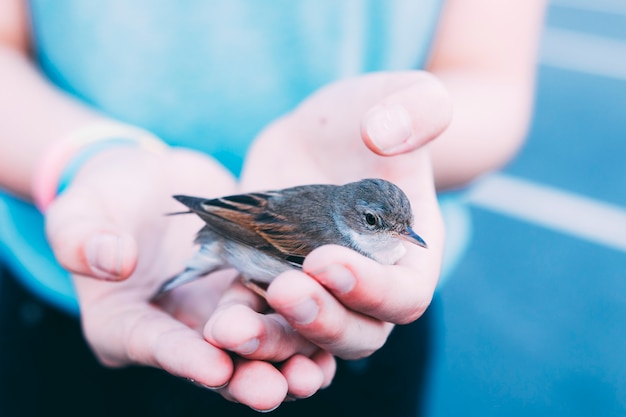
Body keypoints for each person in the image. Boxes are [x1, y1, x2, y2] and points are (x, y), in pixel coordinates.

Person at [0, 0, 545, 415]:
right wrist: (88, 158)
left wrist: (401, 132)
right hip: (62, 308)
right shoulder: (325, 239)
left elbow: (492, 79)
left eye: (405, 229)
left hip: (363, 353)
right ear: (353, 220)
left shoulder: (362, 246)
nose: (400, 236)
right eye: (382, 225)